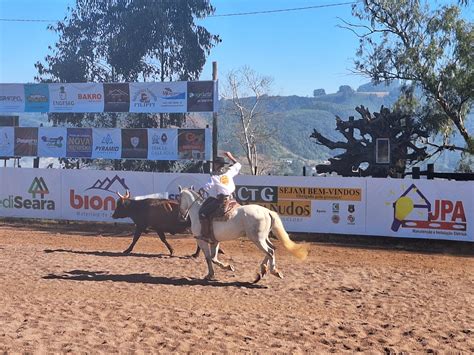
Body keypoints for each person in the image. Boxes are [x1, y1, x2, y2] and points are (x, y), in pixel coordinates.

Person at [198, 151, 241, 243]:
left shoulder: (214, 176)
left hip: (222, 200)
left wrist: (201, 189)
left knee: (202, 213)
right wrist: (230, 156)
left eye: (214, 164)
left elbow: (208, 185)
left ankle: (206, 235)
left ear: (217, 165)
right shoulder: (229, 171)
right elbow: (238, 165)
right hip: (232, 198)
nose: (214, 166)